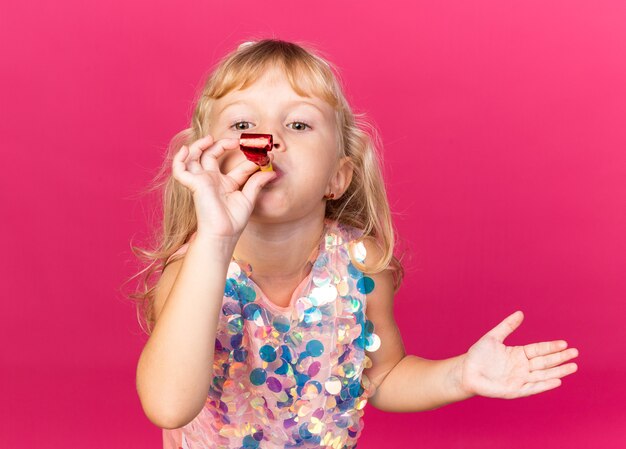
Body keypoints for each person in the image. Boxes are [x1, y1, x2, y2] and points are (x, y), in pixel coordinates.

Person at [133, 39, 579, 449]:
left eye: (299, 123)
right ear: (207, 158)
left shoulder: (360, 268)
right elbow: (169, 407)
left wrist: (460, 374)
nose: (267, 141)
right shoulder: (192, 271)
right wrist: (216, 238)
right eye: (243, 123)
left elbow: (383, 376)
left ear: (338, 177)